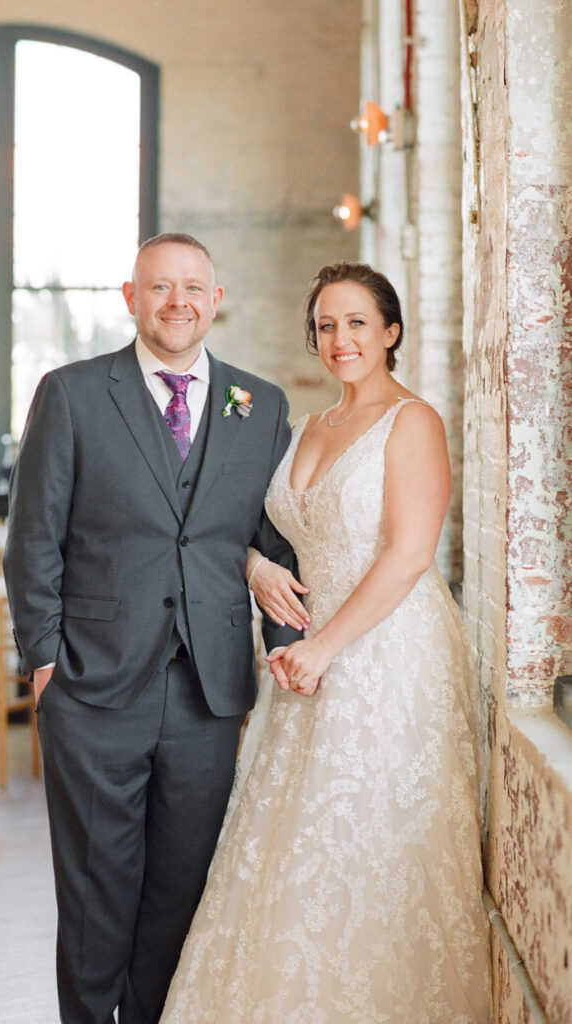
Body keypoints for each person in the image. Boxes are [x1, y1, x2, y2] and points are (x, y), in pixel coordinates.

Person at [160, 262, 493, 1023]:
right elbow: (247, 528)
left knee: (370, 845)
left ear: (391, 332)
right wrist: (253, 568)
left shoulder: (414, 422)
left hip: (387, 654)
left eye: (357, 323)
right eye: (327, 326)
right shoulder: (302, 426)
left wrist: (323, 647)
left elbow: (409, 555)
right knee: (291, 848)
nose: (340, 339)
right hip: (305, 661)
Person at [2, 233, 304, 1024]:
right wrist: (44, 662)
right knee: (98, 886)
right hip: (92, 683)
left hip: (209, 692)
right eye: (159, 288)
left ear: (217, 297)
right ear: (131, 298)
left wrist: (284, 652)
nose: (177, 302)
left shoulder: (258, 403)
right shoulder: (71, 393)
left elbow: (273, 544)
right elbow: (32, 536)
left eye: (193, 287)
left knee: (183, 884)